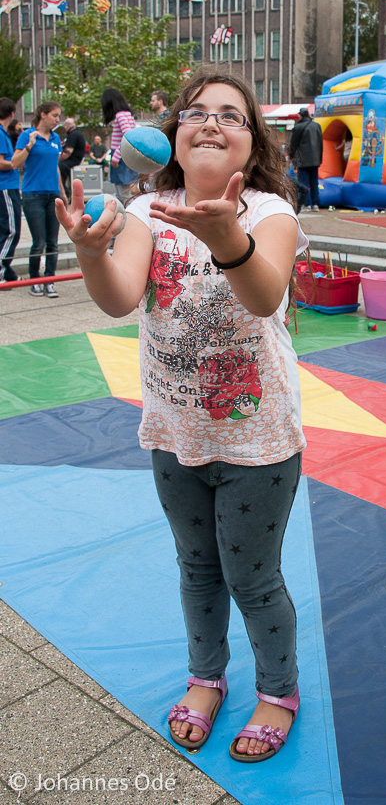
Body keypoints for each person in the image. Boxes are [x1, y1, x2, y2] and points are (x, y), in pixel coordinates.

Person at [56, 66, 308, 762]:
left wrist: (226, 233)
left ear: (252, 143)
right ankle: (206, 676)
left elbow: (262, 297)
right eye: (196, 111)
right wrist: (88, 251)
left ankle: (277, 691)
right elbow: (119, 296)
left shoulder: (268, 214)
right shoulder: (147, 211)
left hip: (258, 439)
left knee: (253, 577)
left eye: (231, 115)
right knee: (196, 569)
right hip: (174, 431)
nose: (210, 122)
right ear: (172, 137)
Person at [14, 101, 66, 297]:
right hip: (33, 195)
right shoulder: (27, 136)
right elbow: (14, 163)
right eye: (54, 115)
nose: (57, 119)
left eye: (59, 116)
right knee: (39, 241)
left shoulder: (55, 138)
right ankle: (35, 280)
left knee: (53, 241)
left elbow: (55, 167)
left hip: (52, 194)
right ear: (42, 115)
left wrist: (62, 192)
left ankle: (49, 281)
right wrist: (29, 146)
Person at [101, 88, 139, 206]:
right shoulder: (128, 115)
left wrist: (116, 156)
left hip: (120, 155)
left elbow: (127, 135)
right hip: (126, 154)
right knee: (124, 191)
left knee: (123, 193)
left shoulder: (120, 115)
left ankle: (128, 218)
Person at [0, 98, 21, 282]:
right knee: (11, 230)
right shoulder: (0, 133)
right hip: (6, 186)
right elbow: (1, 162)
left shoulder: (4, 133)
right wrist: (14, 162)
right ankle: (2, 269)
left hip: (8, 185)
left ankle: (7, 271)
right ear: (12, 113)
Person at [289, 107, 322, 211]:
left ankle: (306, 204)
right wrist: (319, 158)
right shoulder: (317, 126)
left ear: (300, 115)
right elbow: (320, 143)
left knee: (304, 183)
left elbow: (293, 144)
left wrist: (291, 156)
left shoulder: (298, 127)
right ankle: (316, 204)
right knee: (314, 182)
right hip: (315, 159)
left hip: (303, 160)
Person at [59, 117, 87, 198]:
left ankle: (64, 192)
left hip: (73, 160)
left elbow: (68, 152)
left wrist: (57, 160)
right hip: (76, 159)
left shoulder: (73, 135)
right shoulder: (76, 133)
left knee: (59, 168)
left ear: (67, 125)